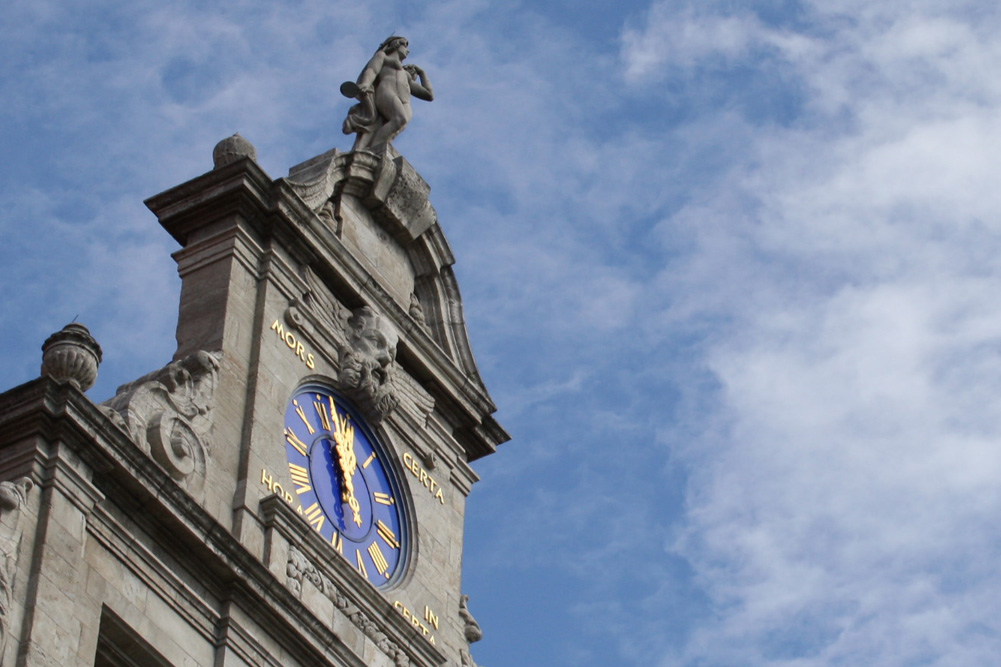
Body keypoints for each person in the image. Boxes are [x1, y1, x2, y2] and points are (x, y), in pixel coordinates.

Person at [342, 36, 434, 151]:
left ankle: (379, 149)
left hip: (405, 102)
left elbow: (429, 95)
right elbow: (372, 70)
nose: (408, 50)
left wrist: (421, 72)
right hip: (387, 92)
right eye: (405, 46)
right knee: (400, 118)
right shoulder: (383, 57)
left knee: (397, 127)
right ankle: (373, 149)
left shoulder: (406, 75)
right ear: (395, 44)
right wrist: (366, 83)